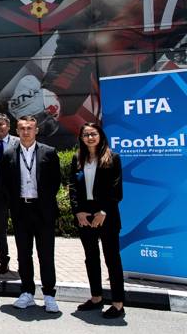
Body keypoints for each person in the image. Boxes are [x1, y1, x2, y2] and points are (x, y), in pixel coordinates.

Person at [1, 115, 61, 313]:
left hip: (42, 210)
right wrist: (13, 205)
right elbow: (6, 184)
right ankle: (27, 292)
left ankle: (49, 295)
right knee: (24, 255)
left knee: (46, 254)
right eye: (22, 128)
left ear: (36, 130)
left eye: (30, 128)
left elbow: (55, 182)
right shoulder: (9, 153)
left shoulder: (49, 152)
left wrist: (45, 202)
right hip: (21, 211)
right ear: (16, 131)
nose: (26, 131)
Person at [70, 122, 125, 319]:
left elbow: (116, 189)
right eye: (86, 134)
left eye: (93, 134)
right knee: (91, 258)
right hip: (85, 215)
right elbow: (73, 188)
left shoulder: (113, 158)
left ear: (100, 135)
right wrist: (78, 212)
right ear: (81, 138)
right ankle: (96, 298)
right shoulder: (78, 158)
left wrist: (104, 211)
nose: (90, 137)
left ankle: (118, 304)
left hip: (106, 215)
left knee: (112, 259)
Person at [0, 113, 19, 274]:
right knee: (0, 232)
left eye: (1, 124)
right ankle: (3, 261)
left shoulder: (19, 143)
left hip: (16, 195)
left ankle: (24, 262)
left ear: (8, 126)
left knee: (22, 230)